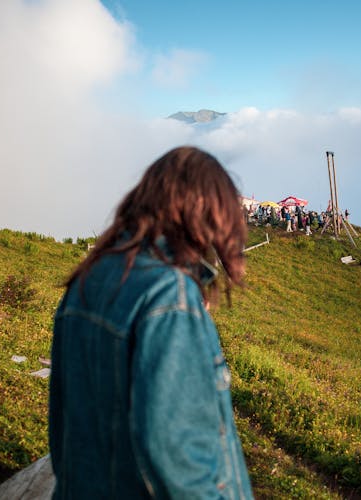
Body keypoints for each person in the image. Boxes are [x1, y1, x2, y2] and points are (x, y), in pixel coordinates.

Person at [49, 147, 254, 499]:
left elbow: (61, 425)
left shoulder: (89, 277)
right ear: (201, 212)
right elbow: (177, 452)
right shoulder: (168, 297)